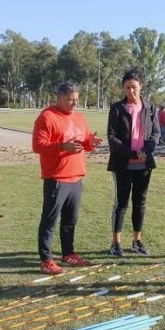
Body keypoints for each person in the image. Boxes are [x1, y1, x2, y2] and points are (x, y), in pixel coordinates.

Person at [32, 82, 103, 275]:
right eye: (69, 99)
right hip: (57, 178)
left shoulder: (79, 117)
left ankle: (68, 254)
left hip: (76, 177)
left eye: (76, 99)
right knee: (50, 221)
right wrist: (62, 146)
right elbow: (38, 146)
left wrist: (91, 142)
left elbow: (84, 142)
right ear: (59, 98)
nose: (74, 103)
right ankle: (46, 260)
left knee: (70, 220)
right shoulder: (47, 117)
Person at [106, 69, 161, 257]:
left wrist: (146, 151)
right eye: (127, 87)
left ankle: (137, 241)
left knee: (140, 203)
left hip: (144, 164)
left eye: (134, 87)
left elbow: (156, 133)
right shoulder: (117, 108)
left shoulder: (150, 107)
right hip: (123, 163)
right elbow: (112, 137)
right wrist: (131, 153)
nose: (131, 91)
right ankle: (116, 243)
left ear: (141, 86)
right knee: (121, 203)